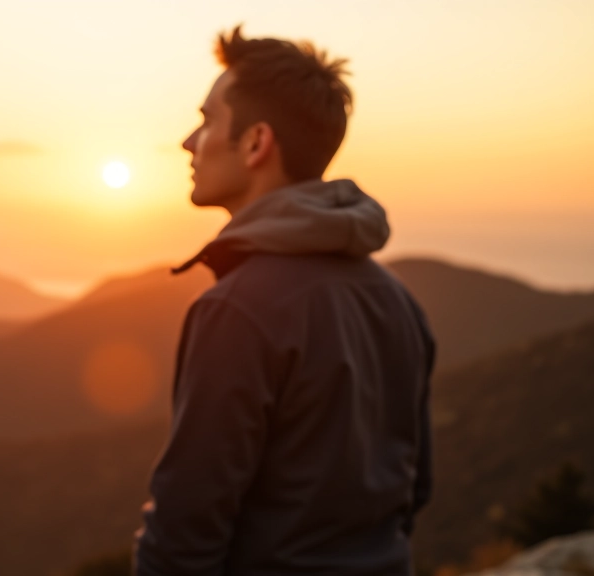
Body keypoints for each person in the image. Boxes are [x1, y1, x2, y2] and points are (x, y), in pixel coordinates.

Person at [132, 26, 435, 576]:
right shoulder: (398, 302)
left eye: (206, 120)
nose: (188, 142)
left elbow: (185, 526)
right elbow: (413, 489)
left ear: (256, 143)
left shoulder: (238, 310)